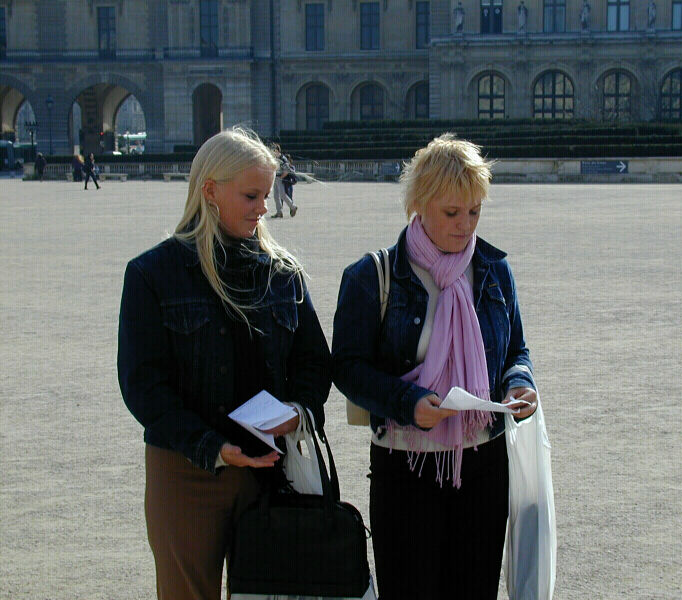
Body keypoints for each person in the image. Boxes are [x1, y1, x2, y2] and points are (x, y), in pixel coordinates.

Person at [117, 127, 331, 600]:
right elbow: (143, 385)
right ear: (210, 190)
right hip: (186, 471)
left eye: (267, 195)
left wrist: (299, 411)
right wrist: (211, 446)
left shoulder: (283, 272)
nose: (263, 208)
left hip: (271, 468)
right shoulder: (152, 274)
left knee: (270, 593)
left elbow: (314, 362)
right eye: (251, 196)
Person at [332, 133, 538, 600]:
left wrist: (519, 385)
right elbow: (346, 366)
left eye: (475, 211)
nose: (466, 225)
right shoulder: (371, 276)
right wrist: (407, 402)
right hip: (406, 464)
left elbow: (516, 351)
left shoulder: (493, 270)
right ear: (419, 205)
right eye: (451, 213)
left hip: (483, 461)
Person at [269, 143, 298, 218]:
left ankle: (293, 207)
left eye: (273, 150)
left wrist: (281, 177)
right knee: (276, 196)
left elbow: (287, 170)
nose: (272, 152)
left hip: (280, 178)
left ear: (277, 150)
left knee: (282, 194)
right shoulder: (274, 158)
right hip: (276, 177)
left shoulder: (282, 159)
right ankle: (279, 212)